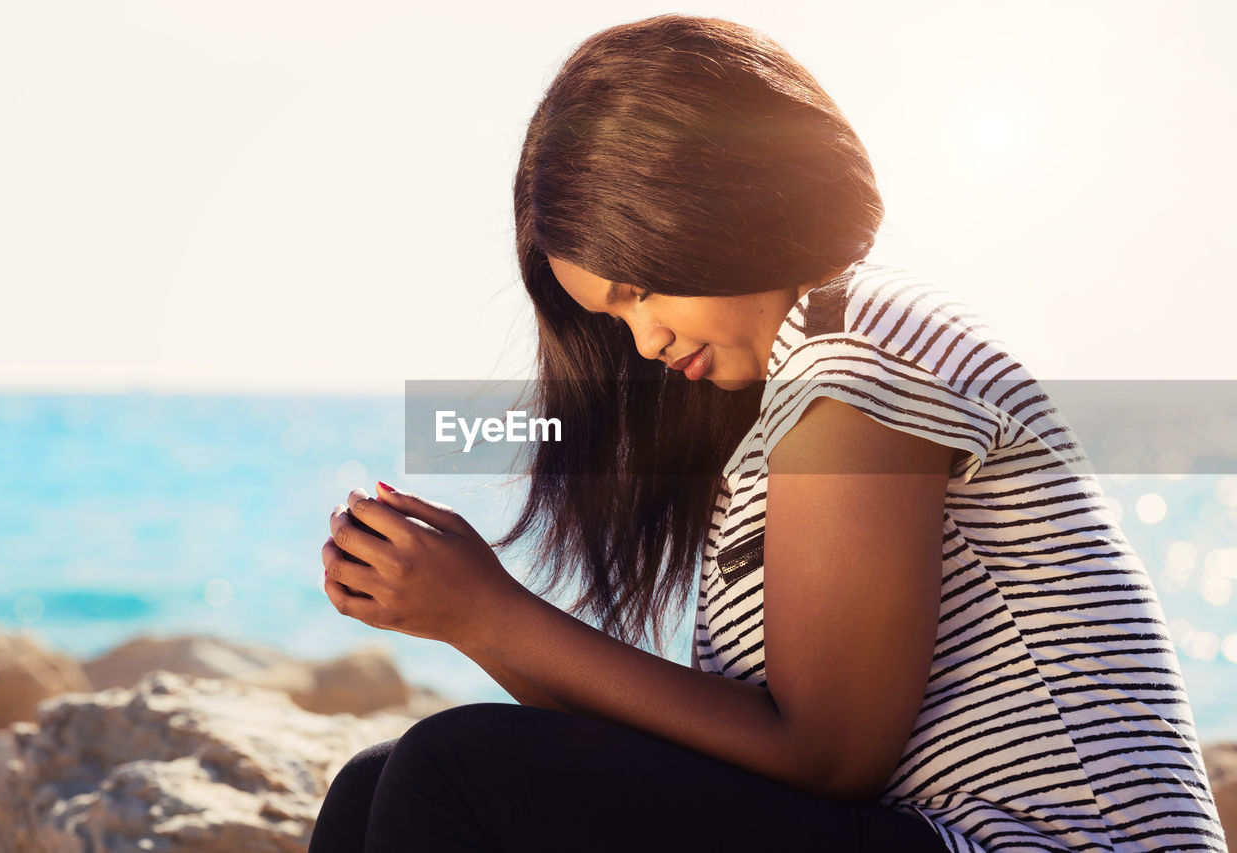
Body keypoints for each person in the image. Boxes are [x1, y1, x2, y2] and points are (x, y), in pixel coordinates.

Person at [308, 14, 1225, 852]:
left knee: (450, 767)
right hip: (918, 833)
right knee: (372, 787)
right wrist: (474, 625)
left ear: (717, 205)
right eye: (614, 318)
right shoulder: (785, 400)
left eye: (643, 290)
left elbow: (829, 758)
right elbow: (721, 768)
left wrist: (493, 610)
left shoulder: (861, 368)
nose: (647, 339)